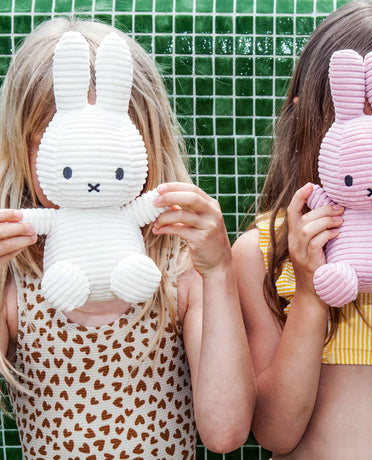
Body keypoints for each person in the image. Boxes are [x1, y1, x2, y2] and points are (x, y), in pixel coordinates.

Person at [0, 18, 255, 459]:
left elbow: (225, 432)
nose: (90, 174)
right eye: (62, 148)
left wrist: (219, 273)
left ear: (146, 141)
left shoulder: (180, 265)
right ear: (24, 148)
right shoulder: (16, 272)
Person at [232, 1, 372, 458]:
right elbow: (275, 433)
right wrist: (311, 294)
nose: (371, 147)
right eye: (354, 121)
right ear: (307, 122)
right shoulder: (261, 250)